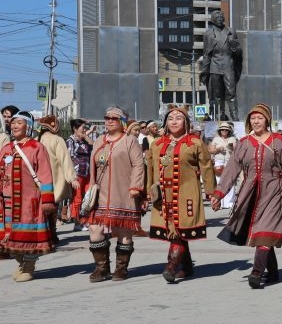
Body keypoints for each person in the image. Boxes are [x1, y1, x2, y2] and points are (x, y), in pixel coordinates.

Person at [211, 104, 282, 289]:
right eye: (253, 118)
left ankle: (256, 272)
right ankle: (273, 272)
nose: (256, 121)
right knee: (261, 233)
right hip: (251, 192)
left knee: (266, 229)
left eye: (260, 118)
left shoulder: (279, 142)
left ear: (267, 120)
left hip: (275, 190)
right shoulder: (244, 143)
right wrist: (219, 193)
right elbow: (231, 170)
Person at [148, 105, 216, 283]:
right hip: (163, 195)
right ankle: (186, 266)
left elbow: (207, 167)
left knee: (180, 229)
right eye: (171, 118)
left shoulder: (194, 143)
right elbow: (151, 169)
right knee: (174, 231)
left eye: (178, 118)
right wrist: (147, 191)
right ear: (165, 122)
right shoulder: (156, 144)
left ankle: (171, 266)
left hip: (187, 194)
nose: (174, 121)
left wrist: (211, 192)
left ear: (186, 122)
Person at [84, 106, 146, 282]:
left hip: (123, 193)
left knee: (123, 231)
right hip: (100, 195)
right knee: (95, 229)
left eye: (114, 118)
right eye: (107, 117)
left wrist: (136, 186)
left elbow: (138, 165)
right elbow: (93, 166)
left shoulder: (129, 140)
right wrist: (90, 186)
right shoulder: (99, 141)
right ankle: (101, 268)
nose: (110, 120)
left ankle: (121, 269)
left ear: (122, 122)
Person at [0, 111, 55, 282]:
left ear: (28, 126)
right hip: (7, 202)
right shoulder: (6, 148)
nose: (14, 125)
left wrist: (47, 199)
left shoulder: (36, 148)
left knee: (27, 235)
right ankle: (21, 263)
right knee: (9, 237)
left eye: (19, 123)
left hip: (28, 202)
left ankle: (29, 267)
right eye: (13, 122)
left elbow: (45, 175)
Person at [34, 114, 72, 248]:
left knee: (42, 207)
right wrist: (71, 177)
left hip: (38, 180)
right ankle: (52, 234)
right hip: (54, 178)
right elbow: (65, 160)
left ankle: (43, 234)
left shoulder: (36, 140)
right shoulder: (57, 140)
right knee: (53, 206)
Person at [200, 8, 242, 121]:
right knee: (217, 94)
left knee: (231, 92)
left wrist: (235, 47)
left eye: (221, 18)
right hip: (215, 66)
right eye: (217, 18)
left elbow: (239, 52)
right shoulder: (208, 34)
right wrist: (204, 71)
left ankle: (235, 117)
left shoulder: (231, 31)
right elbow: (206, 54)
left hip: (228, 65)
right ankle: (220, 115)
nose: (220, 19)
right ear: (212, 20)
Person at [67, 118, 94, 230]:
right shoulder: (71, 141)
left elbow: (94, 147)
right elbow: (70, 157)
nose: (84, 130)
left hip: (87, 172)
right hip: (77, 173)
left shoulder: (85, 140)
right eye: (83, 128)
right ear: (75, 128)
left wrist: (87, 135)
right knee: (77, 198)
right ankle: (77, 222)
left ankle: (85, 220)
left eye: (85, 128)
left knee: (88, 198)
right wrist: (72, 177)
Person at [208, 121, 237, 210]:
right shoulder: (216, 139)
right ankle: (219, 202)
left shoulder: (232, 138)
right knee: (219, 182)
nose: (224, 131)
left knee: (230, 181)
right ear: (220, 131)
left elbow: (237, 150)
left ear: (229, 131)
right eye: (222, 130)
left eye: (226, 130)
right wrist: (218, 149)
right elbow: (210, 150)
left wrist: (231, 147)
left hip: (229, 161)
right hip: (219, 162)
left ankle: (229, 202)